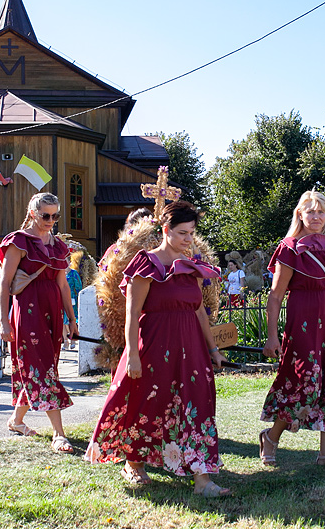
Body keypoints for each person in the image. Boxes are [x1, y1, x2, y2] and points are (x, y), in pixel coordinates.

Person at [83, 201, 230, 497]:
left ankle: (202, 478)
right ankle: (134, 464)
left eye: (191, 233)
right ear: (166, 230)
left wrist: (213, 349)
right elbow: (133, 313)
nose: (188, 239)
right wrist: (133, 357)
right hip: (153, 346)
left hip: (191, 349)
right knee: (146, 403)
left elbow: (199, 310)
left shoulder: (191, 267)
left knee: (197, 404)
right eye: (182, 233)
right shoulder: (145, 264)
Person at [259, 191, 325, 472]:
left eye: (321, 212)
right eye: (311, 212)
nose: (316, 217)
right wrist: (271, 335)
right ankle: (271, 438)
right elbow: (276, 296)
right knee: (302, 384)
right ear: (300, 215)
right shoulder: (289, 249)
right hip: (302, 324)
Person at [0, 192, 79, 453]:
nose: (51, 220)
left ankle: (16, 421)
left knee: (41, 368)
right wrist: (3, 322)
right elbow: (4, 284)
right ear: (33, 213)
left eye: (56, 216)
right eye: (46, 215)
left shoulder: (58, 245)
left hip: (52, 313)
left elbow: (63, 285)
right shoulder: (19, 242)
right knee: (44, 370)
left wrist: (71, 319)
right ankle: (59, 434)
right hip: (28, 313)